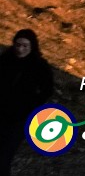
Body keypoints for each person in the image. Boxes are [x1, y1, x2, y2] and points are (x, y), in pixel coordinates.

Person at [0, 29, 54, 176]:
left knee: (4, 156)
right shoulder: (5, 60)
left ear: (32, 47)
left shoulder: (39, 66)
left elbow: (47, 90)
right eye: (17, 45)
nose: (20, 49)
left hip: (20, 118)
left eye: (25, 46)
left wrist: (32, 105)